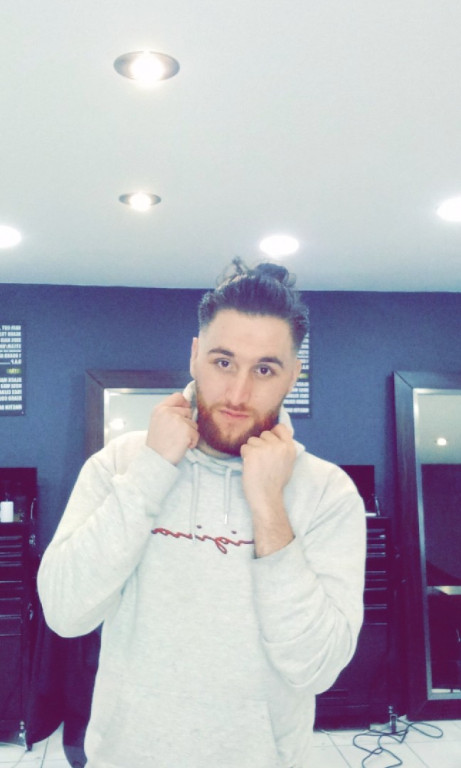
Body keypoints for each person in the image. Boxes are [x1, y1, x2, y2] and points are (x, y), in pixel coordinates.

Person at [37, 259, 366, 768]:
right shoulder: (122, 463)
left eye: (264, 369)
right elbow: (64, 612)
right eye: (223, 362)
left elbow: (316, 669)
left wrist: (269, 507)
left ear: (293, 375)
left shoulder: (327, 493)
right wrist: (152, 470)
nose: (237, 394)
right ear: (194, 356)